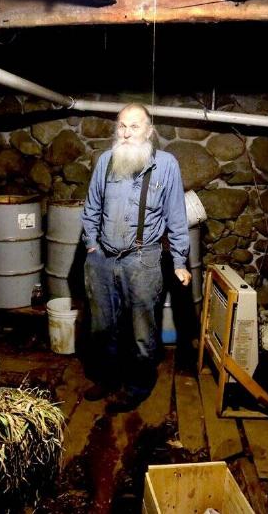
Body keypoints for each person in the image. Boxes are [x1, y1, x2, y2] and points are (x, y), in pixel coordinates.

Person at [81, 103, 191, 413]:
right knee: (103, 326)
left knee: (142, 330)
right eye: (122, 126)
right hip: (102, 258)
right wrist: (92, 244)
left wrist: (180, 261)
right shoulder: (106, 161)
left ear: (149, 131)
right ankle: (108, 378)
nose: (127, 133)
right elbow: (91, 208)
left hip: (142, 259)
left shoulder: (166, 165)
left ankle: (138, 386)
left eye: (135, 126)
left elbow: (176, 217)